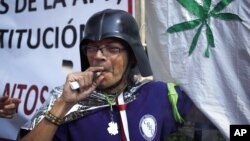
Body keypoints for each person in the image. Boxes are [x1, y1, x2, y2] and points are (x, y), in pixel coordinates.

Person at [18, 9, 193, 141]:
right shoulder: (65, 101)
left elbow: (210, 99)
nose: (98, 56)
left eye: (113, 48)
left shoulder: (157, 94)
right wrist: (62, 105)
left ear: (132, 57)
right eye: (92, 47)